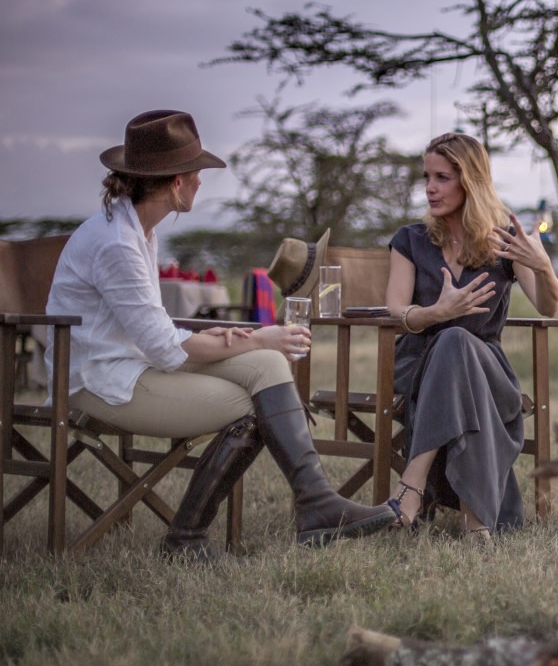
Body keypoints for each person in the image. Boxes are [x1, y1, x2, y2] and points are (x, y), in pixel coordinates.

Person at [45, 109, 397, 558]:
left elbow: (148, 328)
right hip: (101, 381)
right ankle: (186, 537)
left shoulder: (135, 231)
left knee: (268, 364)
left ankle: (317, 504)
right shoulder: (116, 243)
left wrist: (227, 337)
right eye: (197, 174)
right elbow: (164, 349)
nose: (199, 183)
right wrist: (255, 337)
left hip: (131, 363)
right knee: (252, 404)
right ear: (177, 181)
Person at [383, 133, 558, 542]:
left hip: (487, 374)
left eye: (442, 177)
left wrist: (543, 266)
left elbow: (548, 307)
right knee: (450, 340)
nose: (430, 188)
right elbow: (396, 310)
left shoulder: (504, 243)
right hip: (420, 370)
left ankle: (411, 486)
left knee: (458, 343)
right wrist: (436, 314)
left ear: (471, 181)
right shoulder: (410, 240)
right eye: (427, 176)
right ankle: (474, 517)